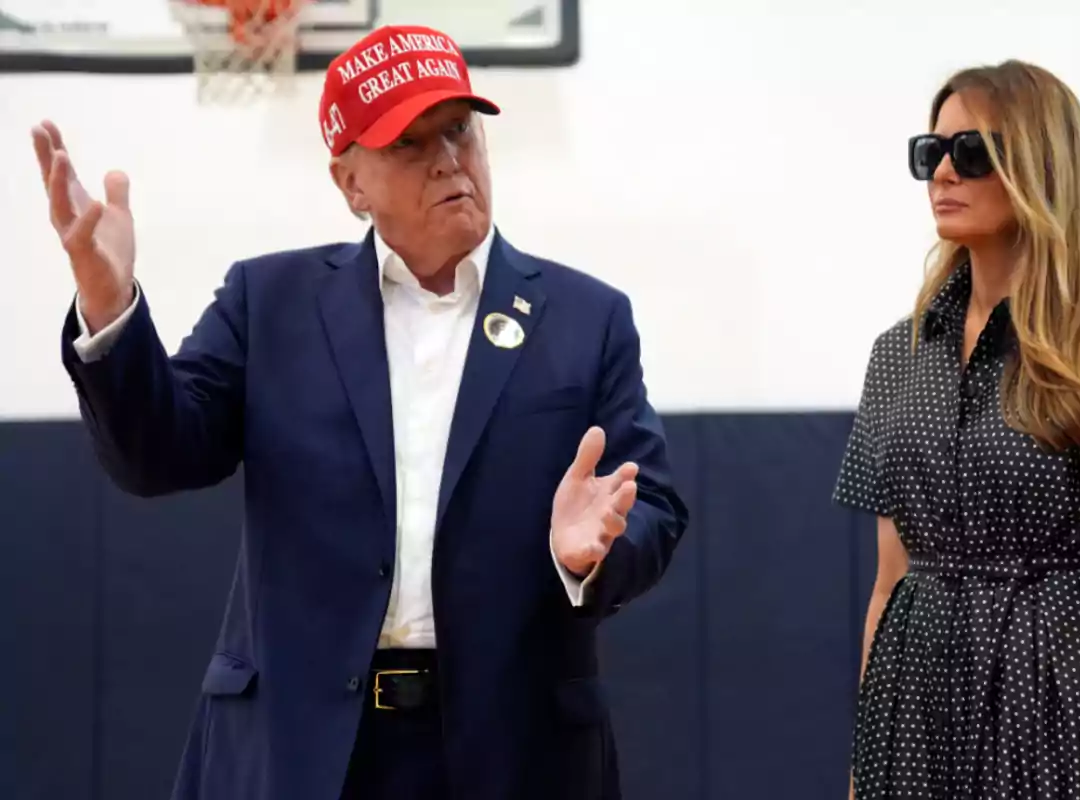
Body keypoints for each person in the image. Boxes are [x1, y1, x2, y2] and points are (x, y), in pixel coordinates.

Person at [34, 23, 688, 800]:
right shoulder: (268, 303)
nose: (448, 159)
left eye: (459, 131)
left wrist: (590, 555)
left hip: (512, 751)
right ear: (350, 184)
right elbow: (157, 455)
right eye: (410, 145)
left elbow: (652, 505)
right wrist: (109, 302)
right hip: (302, 750)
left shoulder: (588, 317)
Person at [835, 60, 1080, 800]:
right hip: (917, 713)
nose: (942, 171)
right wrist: (862, 772)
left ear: (1041, 162)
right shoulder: (896, 355)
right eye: (928, 152)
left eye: (971, 152)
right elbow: (888, 584)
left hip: (1064, 696)